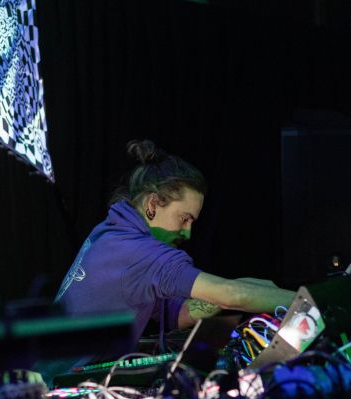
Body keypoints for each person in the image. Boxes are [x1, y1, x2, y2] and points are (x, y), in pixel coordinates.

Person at [56, 140, 299, 345]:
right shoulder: (142, 253)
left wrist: (236, 288)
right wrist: (310, 303)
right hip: (54, 382)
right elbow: (231, 295)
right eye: (184, 218)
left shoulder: (111, 233)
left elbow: (178, 315)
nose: (188, 233)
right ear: (153, 204)